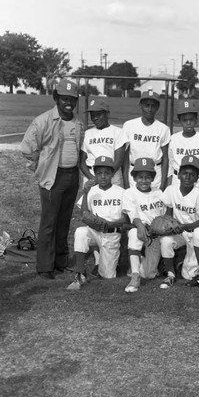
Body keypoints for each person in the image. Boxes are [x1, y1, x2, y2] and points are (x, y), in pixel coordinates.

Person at [20, 78, 84, 279]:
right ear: (56, 98)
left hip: (72, 176)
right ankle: (45, 267)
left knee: (64, 221)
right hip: (52, 178)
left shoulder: (78, 123)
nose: (68, 103)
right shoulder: (43, 120)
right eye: (64, 98)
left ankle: (60, 261)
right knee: (49, 222)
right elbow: (27, 149)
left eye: (72, 99)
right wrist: (40, 168)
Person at [67, 156, 128, 289]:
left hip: (111, 234)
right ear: (95, 174)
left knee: (107, 276)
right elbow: (84, 213)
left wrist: (110, 224)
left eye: (106, 173)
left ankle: (102, 257)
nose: (103, 176)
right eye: (99, 173)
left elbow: (126, 219)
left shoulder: (121, 192)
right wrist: (85, 193)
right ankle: (79, 273)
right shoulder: (91, 190)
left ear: (112, 174)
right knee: (81, 232)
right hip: (94, 231)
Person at [159, 155, 199, 288]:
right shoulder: (171, 190)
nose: (187, 177)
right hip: (180, 232)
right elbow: (169, 213)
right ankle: (170, 275)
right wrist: (170, 224)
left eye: (192, 174)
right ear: (178, 175)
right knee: (165, 241)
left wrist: (185, 226)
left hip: (195, 234)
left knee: (188, 275)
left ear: (196, 178)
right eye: (184, 173)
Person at [122, 157, 168, 293]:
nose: (144, 180)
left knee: (148, 274)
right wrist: (141, 226)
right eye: (140, 177)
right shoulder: (129, 193)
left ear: (153, 178)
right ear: (134, 177)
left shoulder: (158, 193)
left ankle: (139, 261)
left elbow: (164, 216)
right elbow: (133, 216)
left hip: (155, 234)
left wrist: (160, 228)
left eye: (147, 177)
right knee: (134, 234)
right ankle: (135, 277)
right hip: (140, 229)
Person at [122, 90, 170, 191]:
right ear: (141, 105)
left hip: (155, 173)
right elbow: (125, 156)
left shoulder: (163, 128)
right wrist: (126, 182)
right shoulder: (129, 125)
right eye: (146, 105)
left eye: (153, 106)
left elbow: (165, 158)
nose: (150, 109)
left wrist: (163, 184)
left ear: (157, 108)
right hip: (134, 172)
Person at [80, 97, 126, 187]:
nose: (95, 118)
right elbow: (82, 162)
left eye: (99, 114)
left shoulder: (117, 132)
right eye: (92, 115)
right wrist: (92, 177)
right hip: (91, 176)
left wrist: (105, 177)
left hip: (112, 177)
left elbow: (119, 160)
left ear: (107, 114)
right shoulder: (88, 133)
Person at [167, 99, 199, 190]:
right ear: (180, 121)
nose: (188, 123)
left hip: (196, 181)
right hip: (177, 180)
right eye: (185, 120)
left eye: (191, 119)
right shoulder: (173, 138)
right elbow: (171, 163)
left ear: (196, 120)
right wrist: (169, 183)